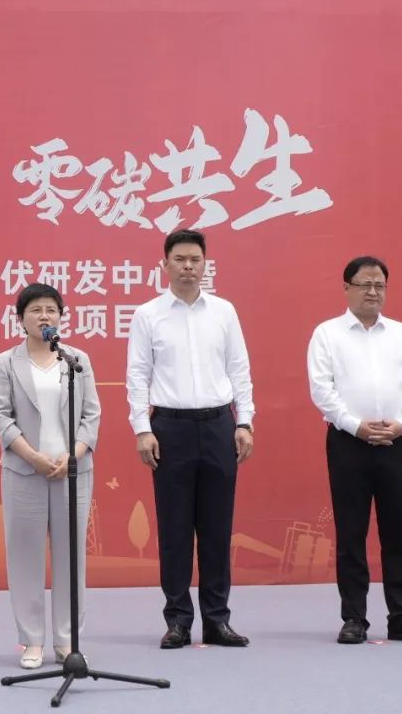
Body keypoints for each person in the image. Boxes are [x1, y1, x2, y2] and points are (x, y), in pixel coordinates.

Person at [126, 229, 254, 650]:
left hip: (219, 426)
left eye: (195, 259)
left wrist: (244, 421)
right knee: (175, 529)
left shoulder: (224, 312)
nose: (187, 266)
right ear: (164, 265)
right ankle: (178, 620)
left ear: (205, 265)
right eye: (179, 259)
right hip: (170, 429)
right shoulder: (148, 315)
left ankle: (217, 620)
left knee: (217, 529)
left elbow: (239, 369)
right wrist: (142, 429)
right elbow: (137, 375)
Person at [306, 255, 402, 644]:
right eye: (364, 284)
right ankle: (354, 618)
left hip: (396, 444)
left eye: (379, 285)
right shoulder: (327, 334)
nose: (372, 292)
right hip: (348, 443)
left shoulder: (401, 333)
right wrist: (357, 426)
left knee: (398, 533)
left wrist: (401, 425)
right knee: (351, 534)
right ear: (346, 288)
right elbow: (322, 390)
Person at [0, 283, 101, 669]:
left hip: (72, 472)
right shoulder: (6, 362)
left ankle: (67, 641)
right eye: (35, 310)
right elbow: (2, 417)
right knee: (25, 557)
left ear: (61, 317)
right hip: (24, 471)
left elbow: (91, 415)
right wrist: (34, 457)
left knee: (71, 558)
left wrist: (74, 455)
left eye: (51, 309)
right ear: (21, 319)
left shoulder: (76, 360)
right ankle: (32, 641)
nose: (44, 316)